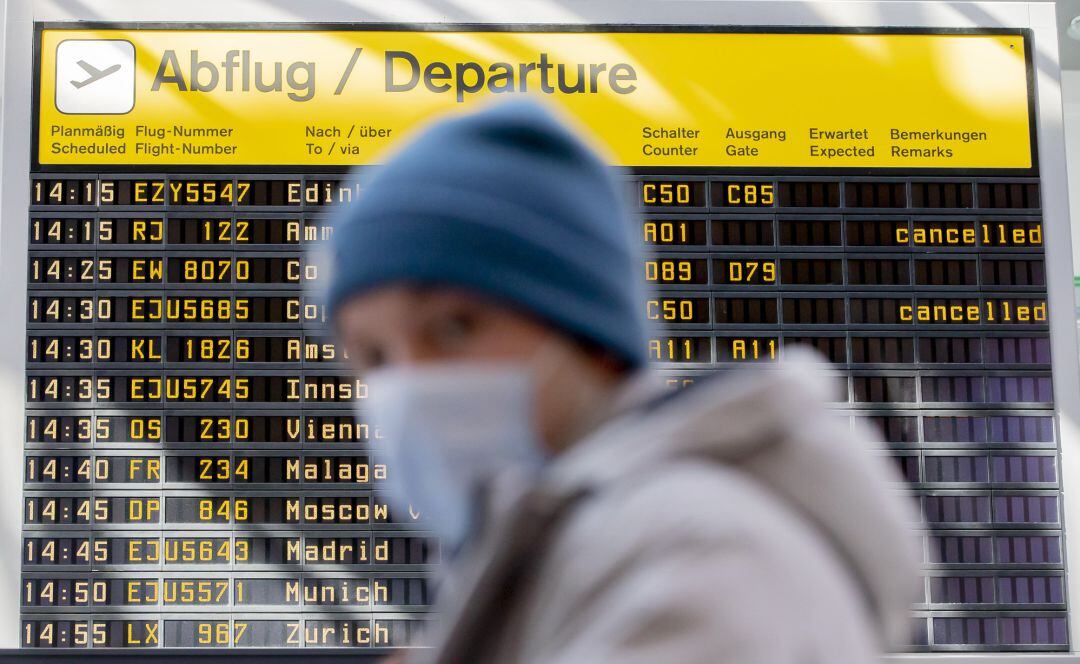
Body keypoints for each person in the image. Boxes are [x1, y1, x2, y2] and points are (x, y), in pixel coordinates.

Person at [325, 100, 921, 663]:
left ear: (590, 338)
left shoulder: (688, 549)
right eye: (374, 356)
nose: (411, 380)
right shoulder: (586, 548)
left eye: (455, 326)